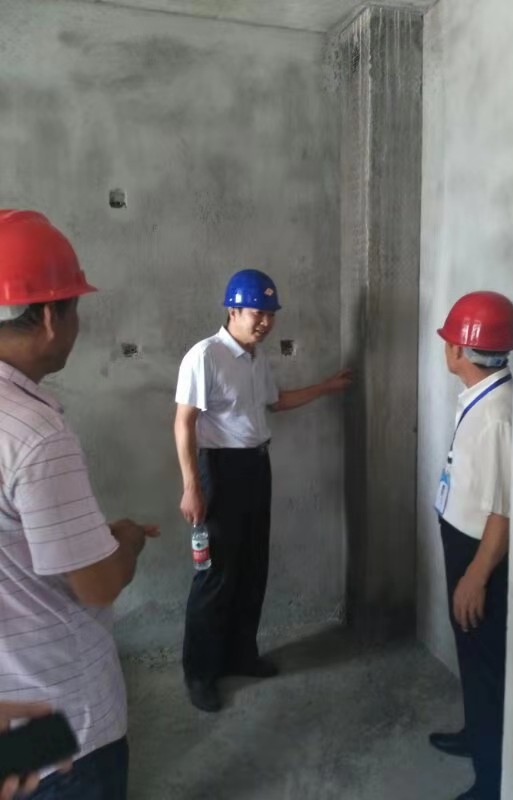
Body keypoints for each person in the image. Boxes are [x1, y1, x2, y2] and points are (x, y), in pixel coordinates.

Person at [0, 210, 158, 800]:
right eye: (74, 308)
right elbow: (97, 585)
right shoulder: (35, 435)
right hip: (58, 721)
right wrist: (125, 542)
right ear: (49, 315)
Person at [175, 269, 351, 712]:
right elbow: (184, 422)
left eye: (271, 314)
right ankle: (200, 673)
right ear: (233, 310)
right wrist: (191, 487)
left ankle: (240, 654)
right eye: (258, 313)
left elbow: (277, 401)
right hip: (219, 471)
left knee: (253, 564)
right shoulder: (205, 355)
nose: (266, 323)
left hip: (256, 466)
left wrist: (326, 387)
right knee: (215, 573)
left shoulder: (256, 359)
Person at [429, 291, 513, 800]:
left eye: (449, 340)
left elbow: (505, 513)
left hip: (481, 556)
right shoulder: (482, 396)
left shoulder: (498, 415)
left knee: (485, 663)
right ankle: (476, 735)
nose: (446, 348)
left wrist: (475, 577)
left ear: (460, 348)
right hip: (463, 543)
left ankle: (492, 782)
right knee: (471, 650)